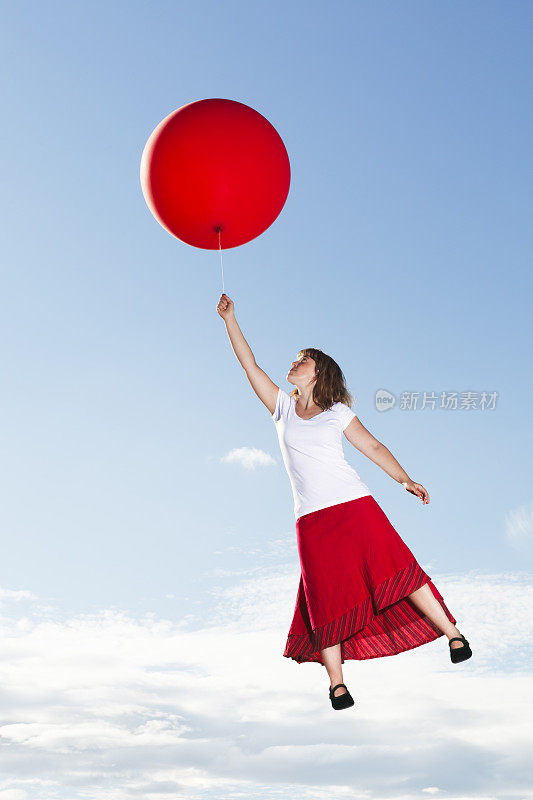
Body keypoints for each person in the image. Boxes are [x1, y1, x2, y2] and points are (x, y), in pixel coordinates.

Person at [216, 292, 472, 710]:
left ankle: (453, 634)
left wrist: (404, 479)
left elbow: (372, 447)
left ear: (319, 373)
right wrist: (230, 319)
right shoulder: (281, 407)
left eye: (303, 360)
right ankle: (337, 684)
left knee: (397, 568)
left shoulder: (337, 413)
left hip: (354, 506)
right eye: (295, 359)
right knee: (324, 597)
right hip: (312, 520)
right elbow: (249, 364)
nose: (294, 363)